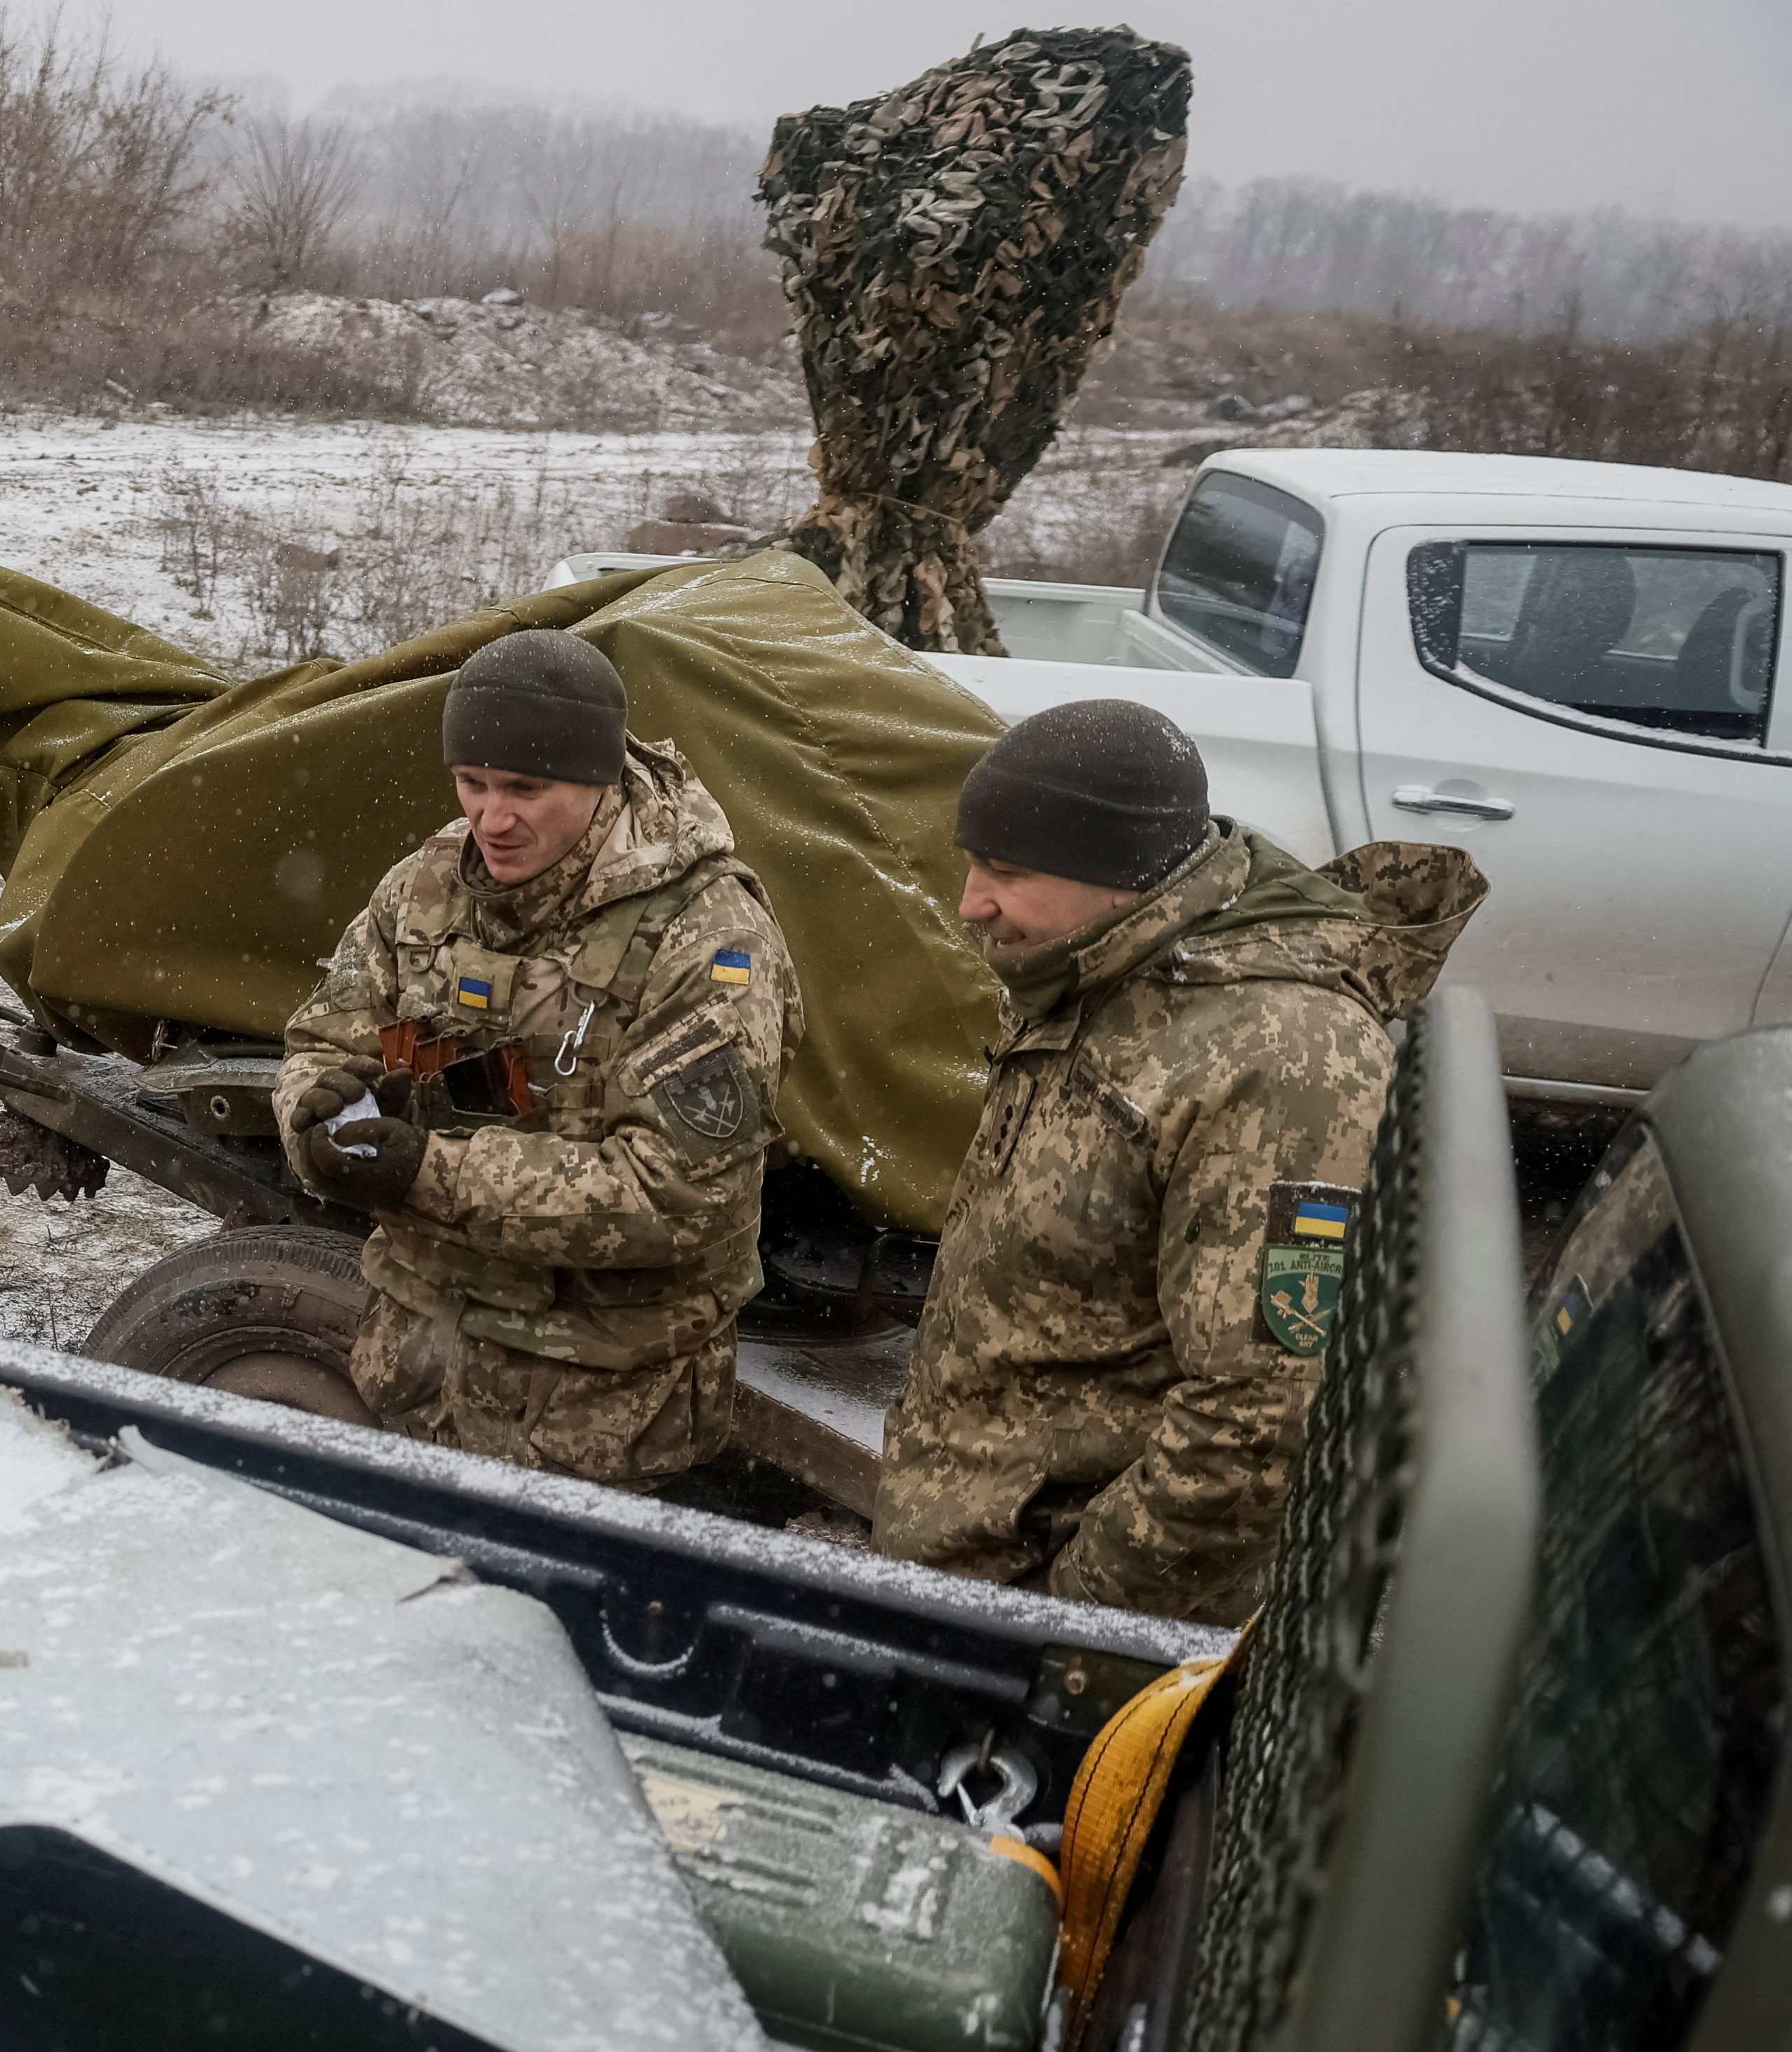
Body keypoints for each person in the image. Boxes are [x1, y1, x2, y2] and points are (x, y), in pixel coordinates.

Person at [873, 699, 1483, 1623]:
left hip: (1060, 1615)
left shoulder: (1285, 1062)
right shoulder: (1090, 968)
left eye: (1007, 871)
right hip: (969, 1559)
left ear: (1120, 872)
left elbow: (1263, 1422)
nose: (970, 902)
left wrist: (1072, 1616)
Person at [272, 628, 802, 1491]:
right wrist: (318, 1129)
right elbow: (322, 1042)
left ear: (598, 779)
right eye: (471, 783)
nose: (490, 818)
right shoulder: (422, 887)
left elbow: (676, 1195)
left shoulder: (707, 935)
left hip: (592, 1413)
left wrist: (423, 1174)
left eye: (524, 788)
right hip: (414, 1366)